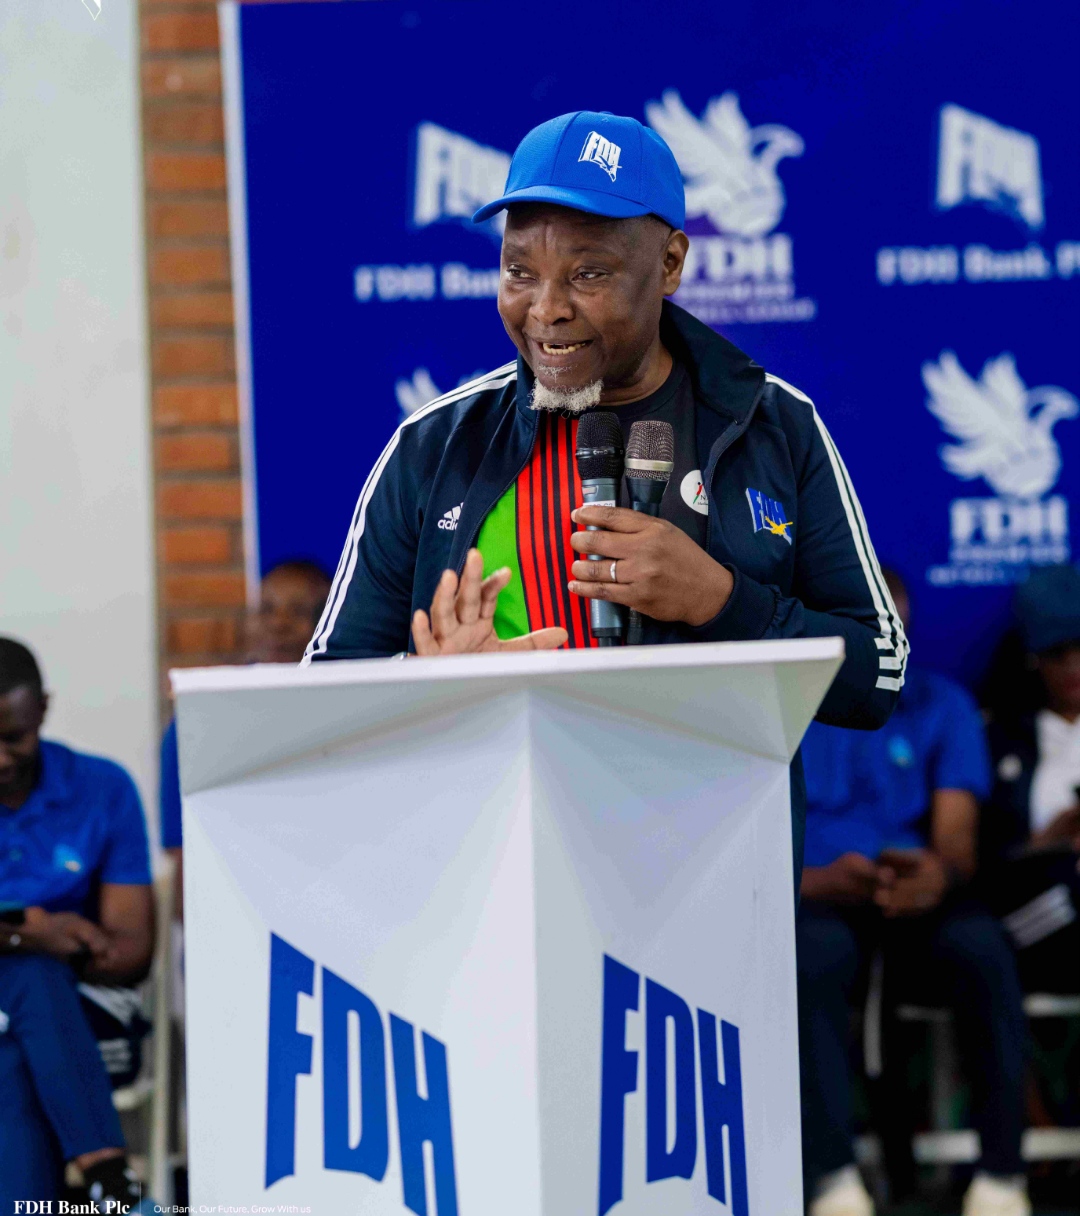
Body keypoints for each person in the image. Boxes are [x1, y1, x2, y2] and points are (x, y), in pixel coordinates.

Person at [303, 110, 907, 878]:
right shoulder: (436, 447)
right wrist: (437, 689)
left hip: (717, 891)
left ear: (671, 263)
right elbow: (323, 709)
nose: (546, 308)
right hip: (499, 885)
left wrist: (722, 601)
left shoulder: (774, 426)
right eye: (519, 271)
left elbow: (877, 679)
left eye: (588, 274)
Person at [796, 572, 1029, 1216]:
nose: (882, 646)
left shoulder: (944, 703)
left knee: (984, 947)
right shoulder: (783, 705)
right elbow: (750, 840)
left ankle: (1002, 1176)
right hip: (816, 895)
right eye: (867, 631)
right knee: (809, 957)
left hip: (915, 897)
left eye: (893, 633)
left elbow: (957, 843)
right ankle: (832, 1179)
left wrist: (934, 875)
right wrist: (818, 881)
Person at [0, 637, 153, 1212]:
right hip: (47, 1002)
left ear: (43, 708)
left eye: (14, 737)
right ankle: (110, 1178)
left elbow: (131, 950)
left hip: (81, 1004)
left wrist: (48, 946)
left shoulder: (102, 788)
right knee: (30, 973)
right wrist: (30, 935)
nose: (0, 759)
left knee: (18, 1026)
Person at [159, 560, 332, 900]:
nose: (278, 624)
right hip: (228, 900)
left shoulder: (349, 709)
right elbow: (184, 855)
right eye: (266, 611)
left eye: (298, 612)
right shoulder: (201, 715)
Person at [982, 563, 1080, 996]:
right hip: (1033, 916)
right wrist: (1046, 843)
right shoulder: (999, 738)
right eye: (1058, 652)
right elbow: (978, 864)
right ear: (1033, 658)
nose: (1073, 665)